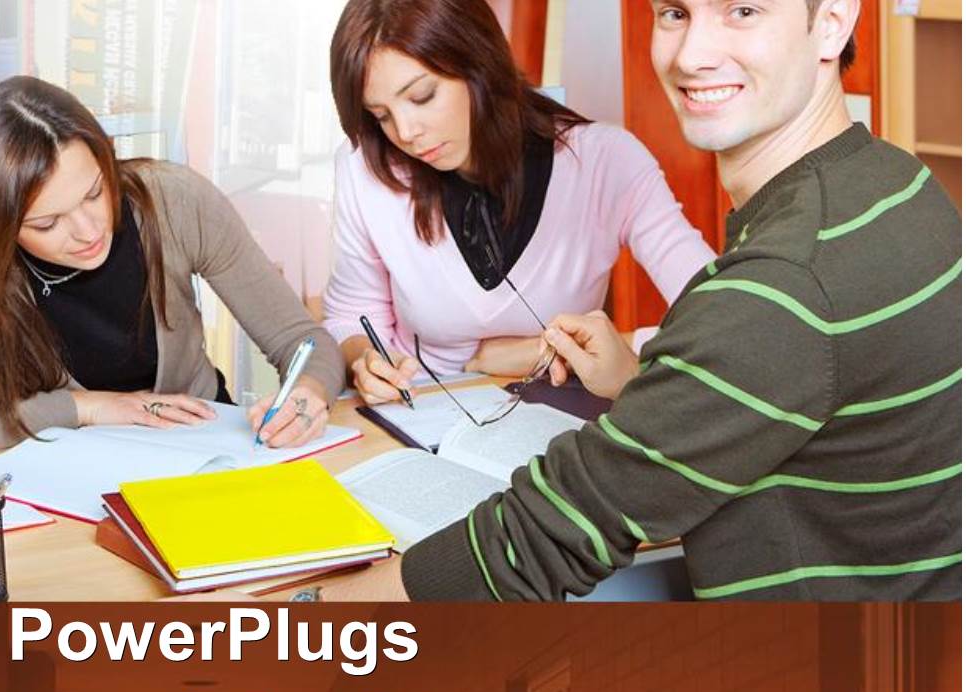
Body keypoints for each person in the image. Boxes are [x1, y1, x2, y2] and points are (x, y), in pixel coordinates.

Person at [273, 0, 961, 601]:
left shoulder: (781, 282)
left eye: (743, 11)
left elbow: (547, 535)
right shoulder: (901, 185)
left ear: (833, 22)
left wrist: (302, 625)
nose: (692, 54)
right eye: (673, 13)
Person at [0, 77, 345, 463]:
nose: (87, 229)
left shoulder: (176, 202)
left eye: (95, 191)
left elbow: (305, 342)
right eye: (47, 222)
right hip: (66, 481)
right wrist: (84, 408)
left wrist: (308, 392)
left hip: (203, 456)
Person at [324, 0, 715, 405]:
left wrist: (568, 348)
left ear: (478, 61)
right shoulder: (363, 168)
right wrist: (363, 361)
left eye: (422, 96)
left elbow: (726, 316)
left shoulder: (607, 161)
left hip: (559, 417)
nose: (405, 132)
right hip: (416, 415)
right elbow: (349, 315)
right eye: (381, 115)